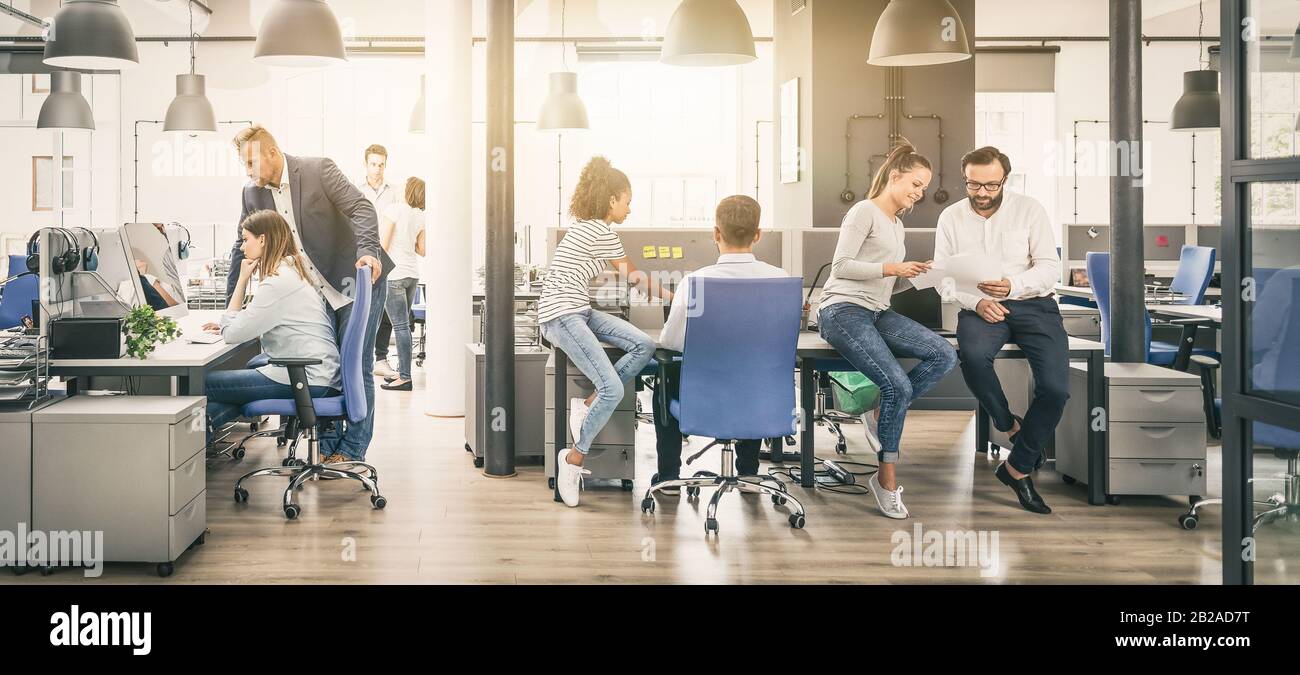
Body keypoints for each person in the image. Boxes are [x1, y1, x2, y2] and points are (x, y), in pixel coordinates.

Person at [229, 125, 392, 465]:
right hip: (316, 295)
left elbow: (362, 209)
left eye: (250, 163)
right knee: (327, 369)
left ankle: (352, 449)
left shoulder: (318, 170)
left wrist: (369, 251)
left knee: (356, 365)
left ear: (272, 153)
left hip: (356, 280)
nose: (247, 172)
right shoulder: (253, 194)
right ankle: (328, 446)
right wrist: (232, 306)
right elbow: (239, 248)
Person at [817, 141, 959, 520]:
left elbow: (887, 285)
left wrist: (917, 276)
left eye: (924, 188)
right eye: (915, 183)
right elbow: (841, 266)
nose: (919, 193)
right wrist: (894, 268)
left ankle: (881, 412)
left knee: (945, 354)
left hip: (878, 310)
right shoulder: (864, 211)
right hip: (843, 308)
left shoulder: (897, 226)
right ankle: (886, 479)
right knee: (897, 384)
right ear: (894, 176)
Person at [935, 146, 1066, 515]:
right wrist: (974, 302)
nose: (982, 193)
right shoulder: (951, 217)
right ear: (965, 179)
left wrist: (1013, 286)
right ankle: (1007, 424)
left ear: (1004, 180)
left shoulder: (1030, 210)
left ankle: (1017, 467)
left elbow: (1048, 267)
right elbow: (943, 279)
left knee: (1056, 390)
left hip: (1033, 302)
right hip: (978, 306)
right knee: (973, 357)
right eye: (974, 184)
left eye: (991, 185)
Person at [541, 156, 668, 508]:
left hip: (578, 308)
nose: (630, 207)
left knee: (643, 344)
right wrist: (678, 296)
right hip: (561, 314)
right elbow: (636, 277)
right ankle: (573, 458)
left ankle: (588, 404)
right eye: (627, 200)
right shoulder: (599, 231)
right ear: (611, 199)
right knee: (612, 386)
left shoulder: (588, 228)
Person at [653, 195, 785, 493]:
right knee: (751, 372)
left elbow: (671, 342)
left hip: (705, 402)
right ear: (758, 235)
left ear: (716, 234)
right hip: (761, 401)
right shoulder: (779, 280)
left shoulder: (695, 283)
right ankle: (749, 473)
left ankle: (669, 477)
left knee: (666, 375)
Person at [203, 210, 340, 443]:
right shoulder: (292, 273)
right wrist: (233, 322)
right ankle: (202, 437)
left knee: (203, 384)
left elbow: (232, 334)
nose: (242, 247)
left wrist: (242, 280)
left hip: (307, 378)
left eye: (246, 239)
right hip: (318, 375)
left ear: (263, 240)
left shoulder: (278, 282)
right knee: (229, 390)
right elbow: (255, 320)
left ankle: (195, 442)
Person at [378, 177, 427, 392]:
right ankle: (401, 372)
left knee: (400, 327)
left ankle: (405, 377)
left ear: (407, 190)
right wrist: (407, 240)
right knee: (403, 326)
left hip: (395, 275)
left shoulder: (394, 209)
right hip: (412, 275)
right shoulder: (420, 216)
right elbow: (422, 250)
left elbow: (383, 245)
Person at [358, 144, 399, 379]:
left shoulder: (394, 192)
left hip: (389, 255)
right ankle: (362, 355)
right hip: (363, 254)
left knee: (385, 309)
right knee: (362, 305)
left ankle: (381, 357)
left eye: (381, 164)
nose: (377, 169)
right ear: (366, 164)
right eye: (373, 164)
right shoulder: (356, 189)